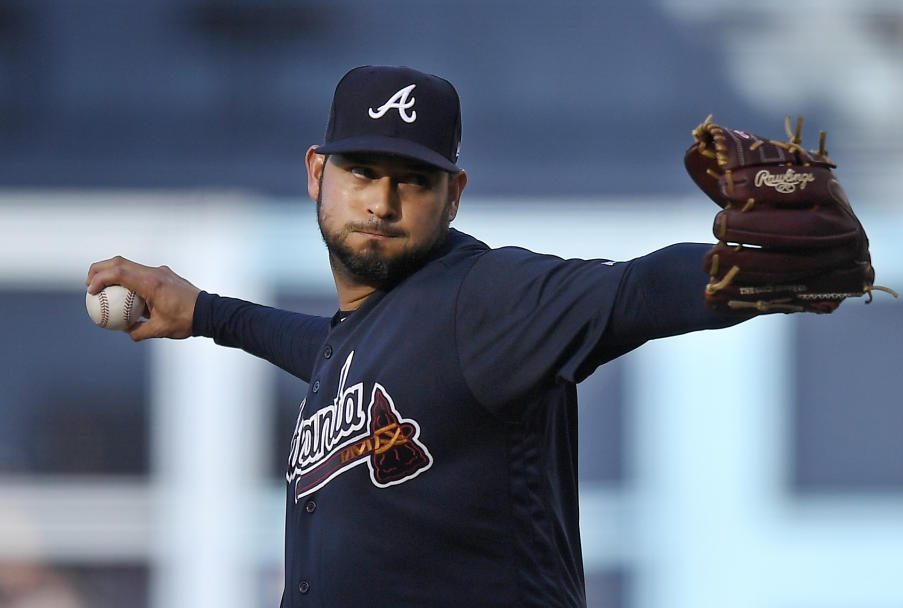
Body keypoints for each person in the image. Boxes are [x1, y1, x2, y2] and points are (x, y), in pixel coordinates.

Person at [86, 65, 753, 607]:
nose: (382, 201)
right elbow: (326, 345)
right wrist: (207, 313)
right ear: (317, 173)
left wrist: (748, 267)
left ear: (454, 194)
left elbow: (633, 291)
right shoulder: (364, 337)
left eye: (412, 180)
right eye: (362, 172)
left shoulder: (487, 299)